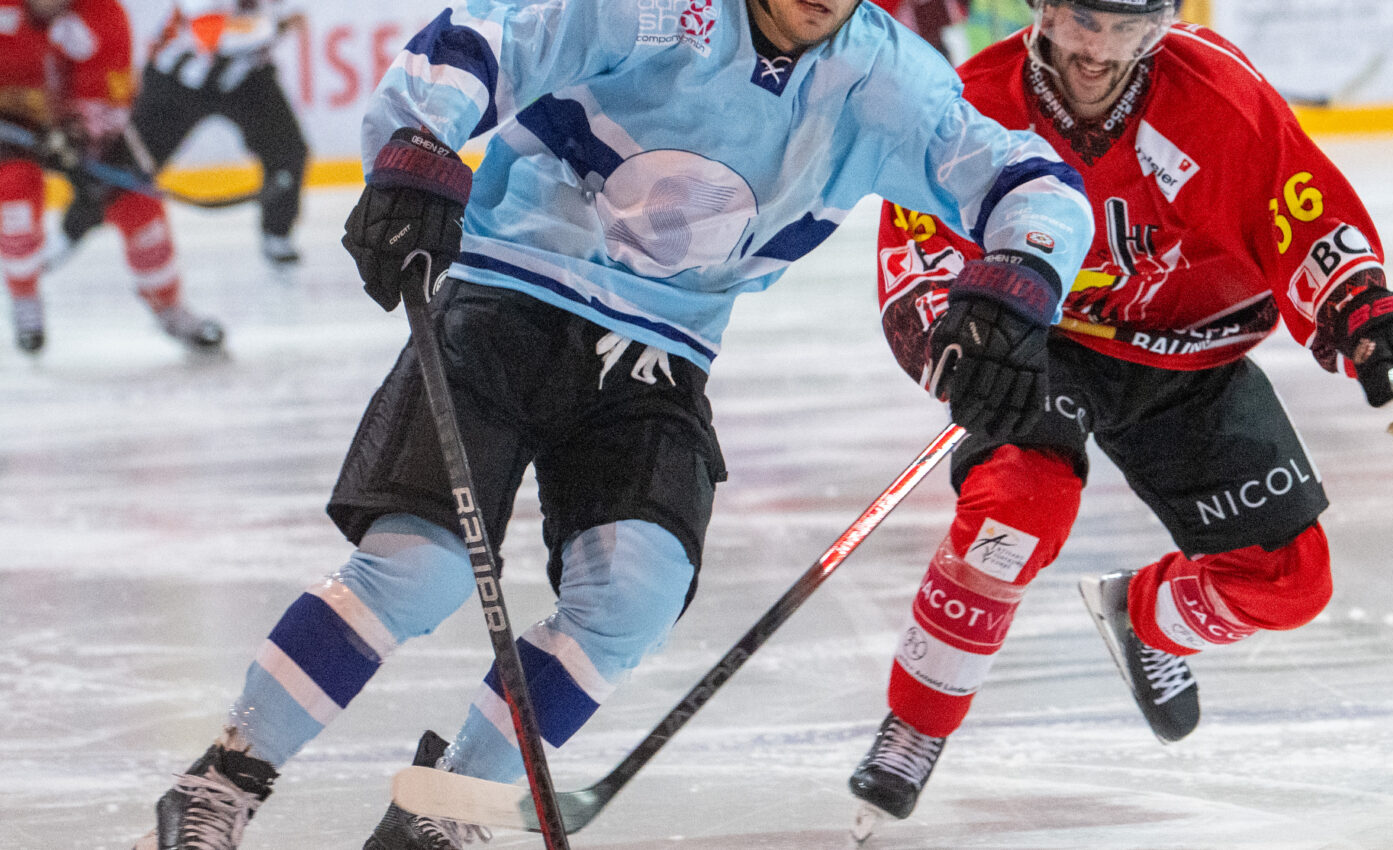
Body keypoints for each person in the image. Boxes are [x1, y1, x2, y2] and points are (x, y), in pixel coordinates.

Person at [128, 0, 1098, 847]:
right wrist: (417, 148)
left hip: (660, 350)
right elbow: (484, 37)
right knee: (414, 571)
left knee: (634, 594)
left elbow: (1030, 183)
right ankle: (220, 784)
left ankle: (442, 809)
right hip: (508, 297)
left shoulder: (888, 79)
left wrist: (1017, 282)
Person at [847, 0, 1393, 833]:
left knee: (1289, 582)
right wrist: (952, 344)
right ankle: (915, 726)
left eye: (1127, 28)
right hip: (1045, 342)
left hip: (1186, 353)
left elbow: (1306, 217)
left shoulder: (1218, 97)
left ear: (1165, 23)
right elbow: (917, 256)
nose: (1096, 51)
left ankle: (1145, 620)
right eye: (1078, 19)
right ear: (1040, 9)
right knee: (1016, 510)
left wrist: (1378, 323)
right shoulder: (971, 100)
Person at [0, 0, 225, 353]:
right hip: (11, 128)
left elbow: (111, 100)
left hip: (84, 133)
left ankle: (169, 306)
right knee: (14, 193)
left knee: (141, 206)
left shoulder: (104, 14)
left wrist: (78, 133)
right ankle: (24, 297)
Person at [53, 0, 310, 269]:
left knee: (289, 150)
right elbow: (210, 35)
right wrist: (277, 25)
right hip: (176, 85)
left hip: (244, 77)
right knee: (127, 166)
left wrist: (277, 22)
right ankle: (69, 233)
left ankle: (277, 234)